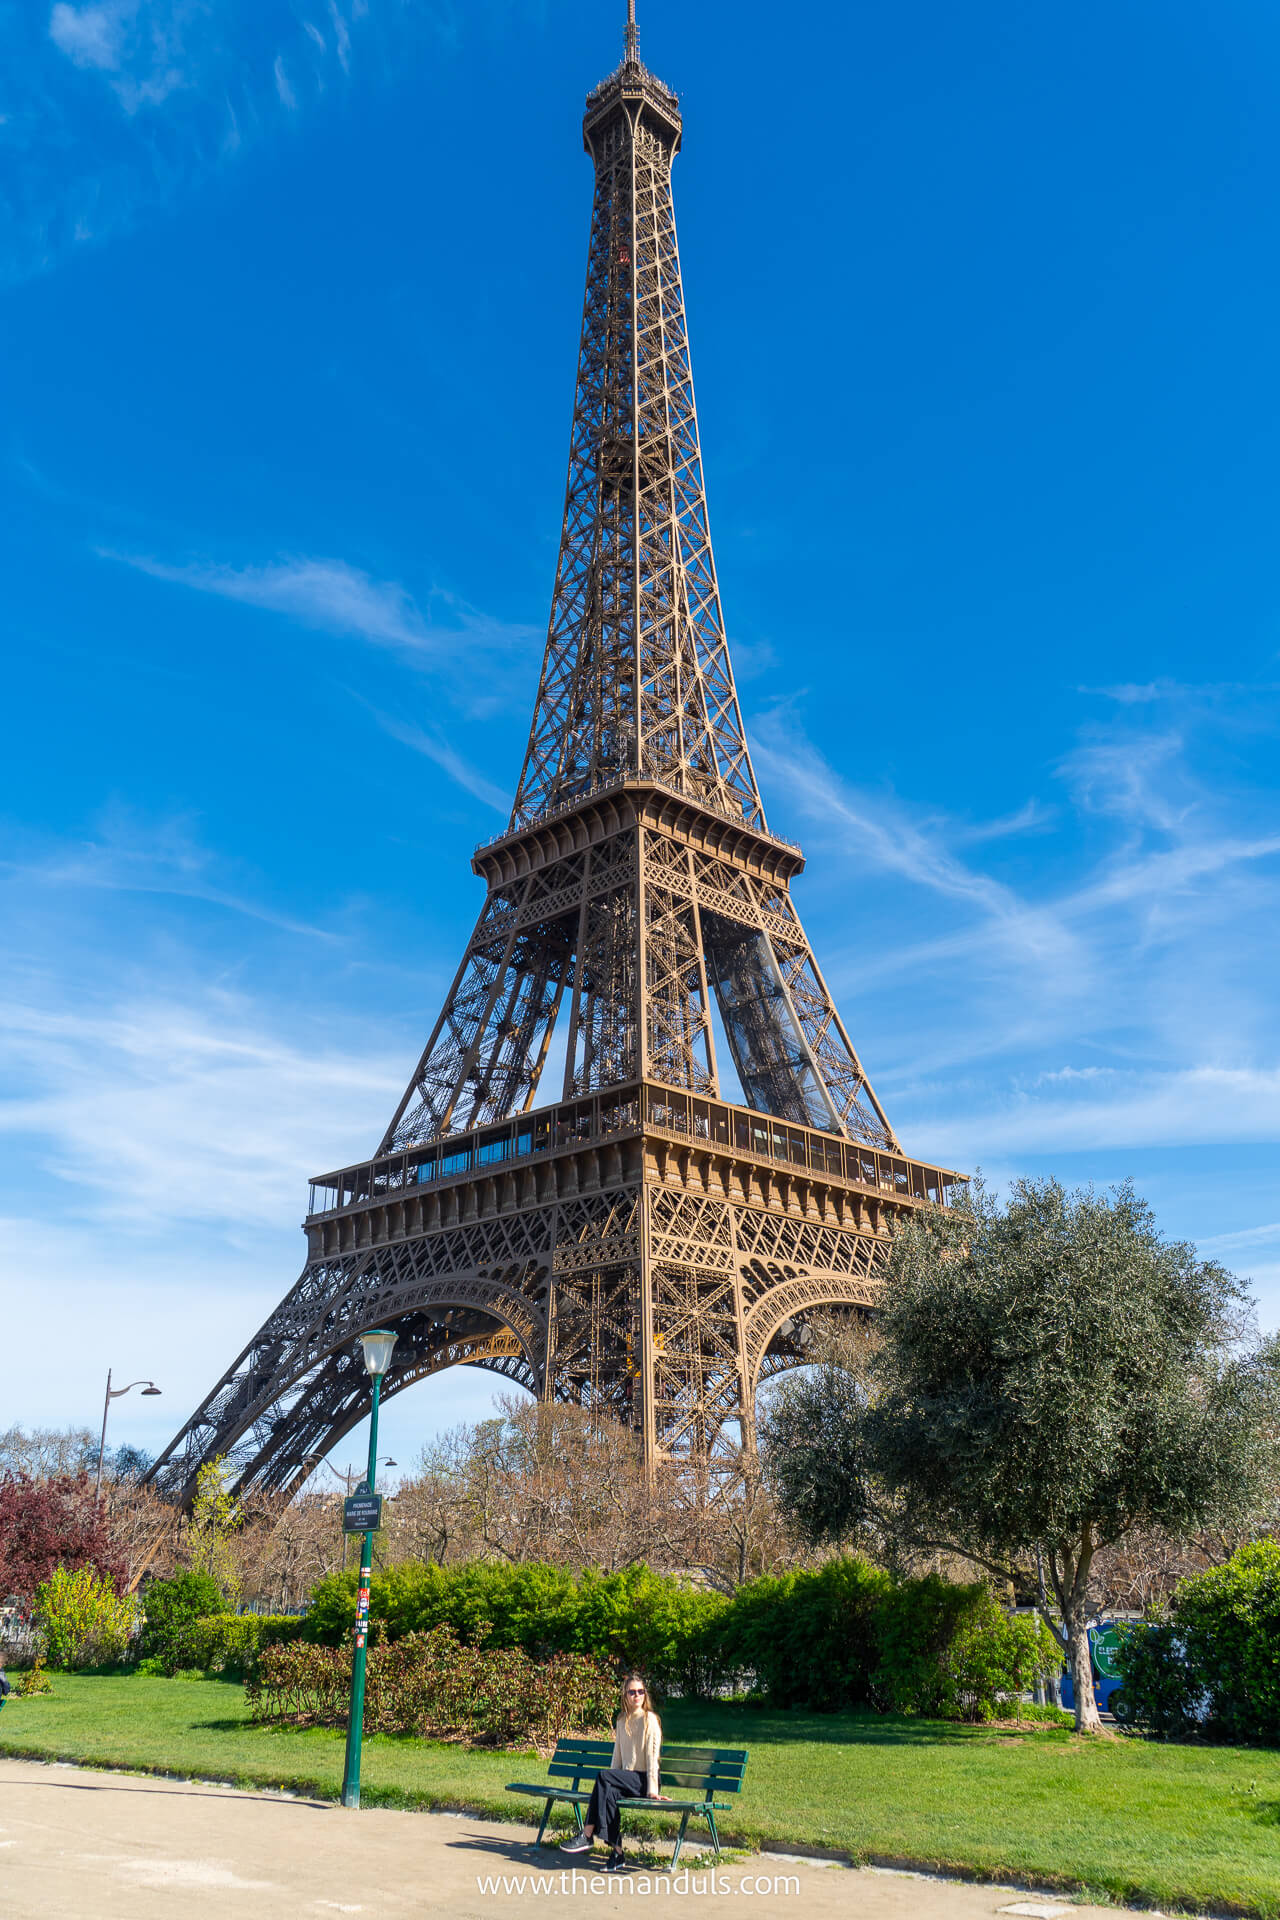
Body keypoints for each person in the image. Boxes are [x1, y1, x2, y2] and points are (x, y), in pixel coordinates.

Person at [560, 1673, 668, 1870]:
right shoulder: (621, 1720)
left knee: (603, 1776)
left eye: (641, 1691)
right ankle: (617, 1853)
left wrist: (653, 1790)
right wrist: (609, 1784)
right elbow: (617, 1757)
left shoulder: (649, 1719)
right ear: (625, 1695)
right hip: (626, 1779)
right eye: (632, 1692)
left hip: (645, 1780)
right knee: (607, 1791)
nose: (637, 1695)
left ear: (645, 1695)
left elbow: (653, 1756)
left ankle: (586, 1834)